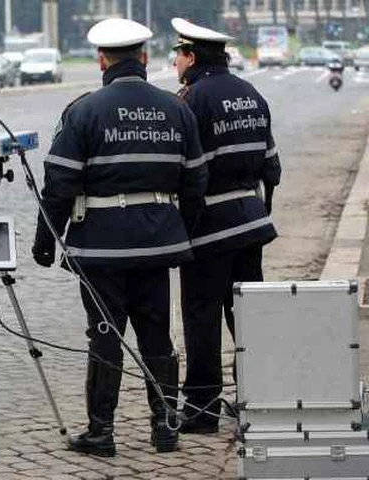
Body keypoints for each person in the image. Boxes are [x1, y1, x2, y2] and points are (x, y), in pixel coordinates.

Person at [32, 18, 208, 456]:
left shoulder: (84, 110)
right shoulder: (176, 109)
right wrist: (179, 230)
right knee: (157, 335)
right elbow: (196, 181)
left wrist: (46, 238)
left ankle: (101, 431)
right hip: (157, 244)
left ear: (101, 60)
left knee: (105, 334)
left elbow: (60, 183)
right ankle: (165, 427)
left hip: (101, 246)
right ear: (144, 57)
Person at [170, 18, 282, 433]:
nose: (175, 63)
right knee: (248, 317)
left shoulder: (191, 99)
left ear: (191, 56)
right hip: (251, 224)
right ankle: (260, 398)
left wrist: (183, 226)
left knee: (202, 317)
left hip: (209, 229)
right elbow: (272, 167)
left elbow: (187, 174)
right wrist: (256, 208)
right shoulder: (252, 94)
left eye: (178, 55)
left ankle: (202, 410)